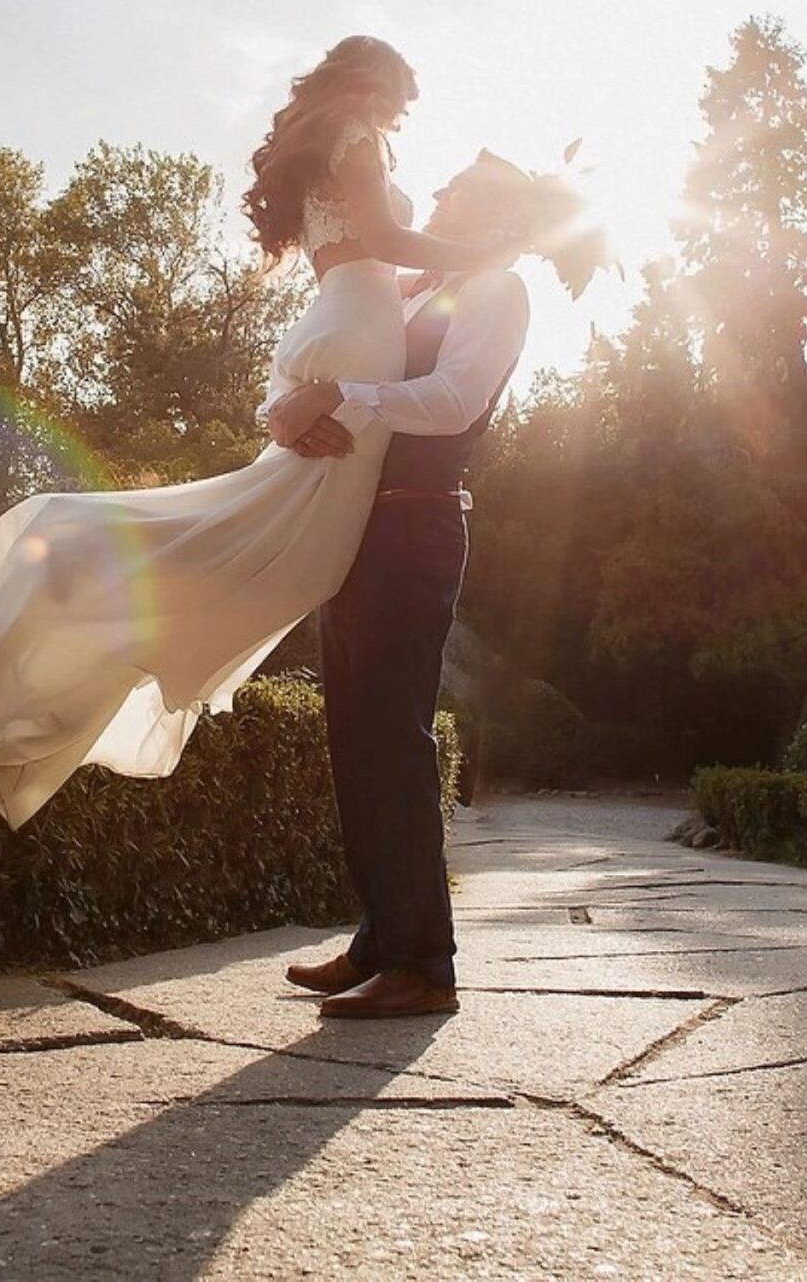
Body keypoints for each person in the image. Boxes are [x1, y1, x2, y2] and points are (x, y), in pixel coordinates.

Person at [0, 36, 513, 828]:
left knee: (269, 526)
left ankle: (88, 593)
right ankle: (81, 572)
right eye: (402, 94)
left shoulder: (331, 139)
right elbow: (389, 244)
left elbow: (379, 266)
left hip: (337, 323)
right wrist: (482, 250)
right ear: (374, 81)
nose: (404, 113)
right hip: (356, 331)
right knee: (284, 546)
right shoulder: (358, 136)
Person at [264, 151, 591, 1019]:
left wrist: (344, 394)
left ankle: (425, 966)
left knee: (393, 734)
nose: (434, 199)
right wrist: (301, 411)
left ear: (493, 217)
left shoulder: (497, 291)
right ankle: (378, 939)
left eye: (453, 193)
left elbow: (451, 402)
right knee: (351, 735)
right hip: (352, 522)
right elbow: (326, 369)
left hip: (415, 525)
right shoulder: (409, 291)